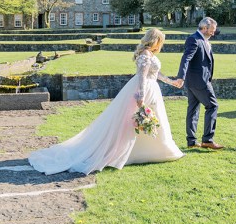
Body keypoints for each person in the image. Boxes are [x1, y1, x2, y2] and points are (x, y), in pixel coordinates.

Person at [29, 28, 184, 175]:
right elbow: (142, 76)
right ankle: (132, 153)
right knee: (134, 120)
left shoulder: (149, 54)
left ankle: (156, 151)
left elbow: (155, 73)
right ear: (155, 40)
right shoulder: (144, 54)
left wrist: (172, 82)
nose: (161, 45)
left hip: (152, 89)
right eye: (161, 41)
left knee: (153, 120)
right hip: (144, 89)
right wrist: (141, 96)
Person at [176, 17, 223, 149]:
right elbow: (186, 58)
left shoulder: (204, 40)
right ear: (204, 28)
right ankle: (208, 139)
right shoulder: (194, 39)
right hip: (199, 81)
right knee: (213, 106)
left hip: (195, 81)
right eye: (212, 30)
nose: (213, 33)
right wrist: (181, 76)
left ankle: (191, 142)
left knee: (193, 109)